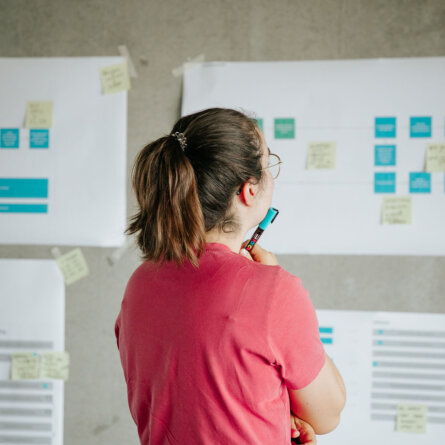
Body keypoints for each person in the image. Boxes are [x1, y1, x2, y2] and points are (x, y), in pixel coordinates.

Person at [115, 108, 346, 444]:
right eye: (268, 165)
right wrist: (271, 287)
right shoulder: (273, 291)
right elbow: (328, 414)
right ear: (248, 189)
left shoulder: (140, 282)